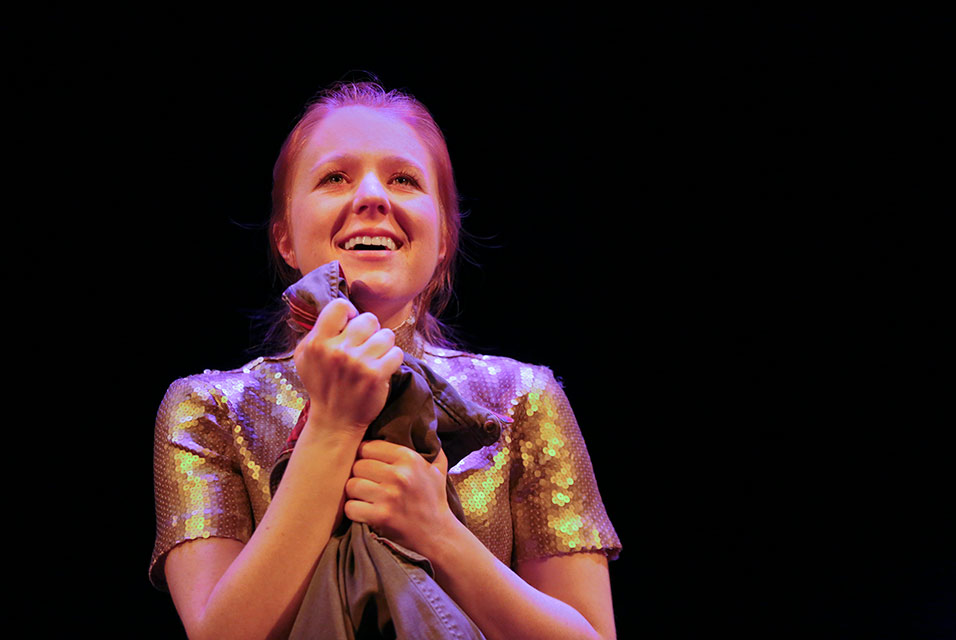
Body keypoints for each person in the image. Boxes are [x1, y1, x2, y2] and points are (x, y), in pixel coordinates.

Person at [150, 80, 621, 640]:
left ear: (443, 238)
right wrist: (333, 425)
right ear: (285, 239)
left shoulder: (519, 398)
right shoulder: (209, 409)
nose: (373, 196)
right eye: (334, 178)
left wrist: (438, 532)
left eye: (404, 179)